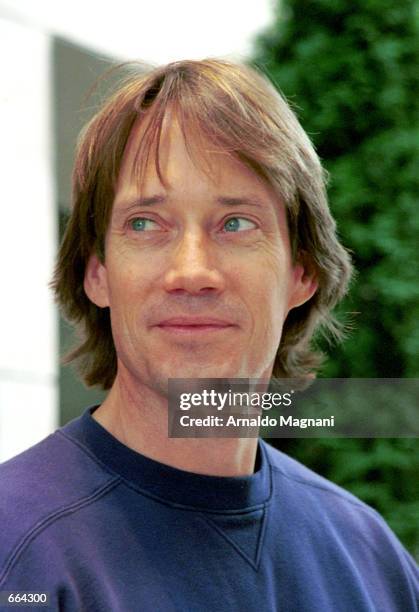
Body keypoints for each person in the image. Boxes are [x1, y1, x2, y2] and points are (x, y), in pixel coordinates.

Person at [0, 59, 417, 611]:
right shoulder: (17, 551)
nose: (191, 272)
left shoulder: (373, 560)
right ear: (96, 273)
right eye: (145, 223)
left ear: (303, 272)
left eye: (236, 223)